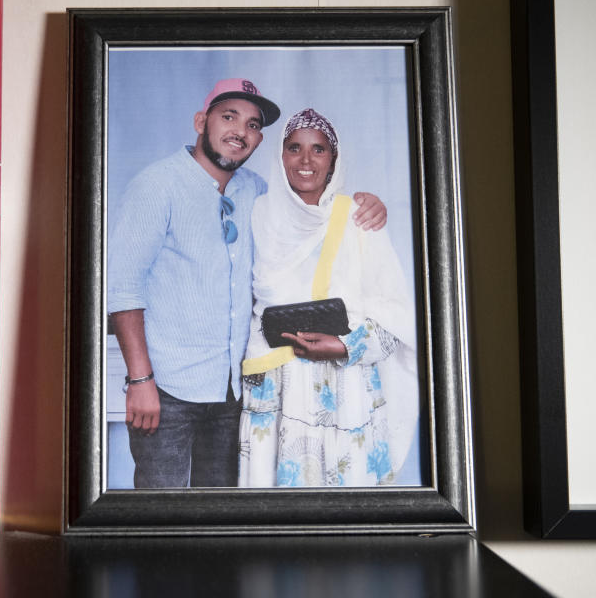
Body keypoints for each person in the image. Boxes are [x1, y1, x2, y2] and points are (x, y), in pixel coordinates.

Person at [107, 81, 387, 489]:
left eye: (253, 124)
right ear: (201, 121)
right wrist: (140, 380)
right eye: (229, 117)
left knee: (221, 520)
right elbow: (123, 291)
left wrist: (365, 202)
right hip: (167, 389)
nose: (241, 130)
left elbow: (306, 214)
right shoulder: (156, 186)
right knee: (160, 516)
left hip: (232, 393)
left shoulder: (254, 190)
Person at [238, 108, 418, 487]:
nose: (306, 160)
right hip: (275, 387)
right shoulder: (256, 212)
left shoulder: (358, 216)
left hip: (343, 387)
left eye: (318, 149)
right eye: (294, 148)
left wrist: (344, 347)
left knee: (345, 515)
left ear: (334, 159)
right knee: (274, 519)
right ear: (280, 155)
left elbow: (396, 312)